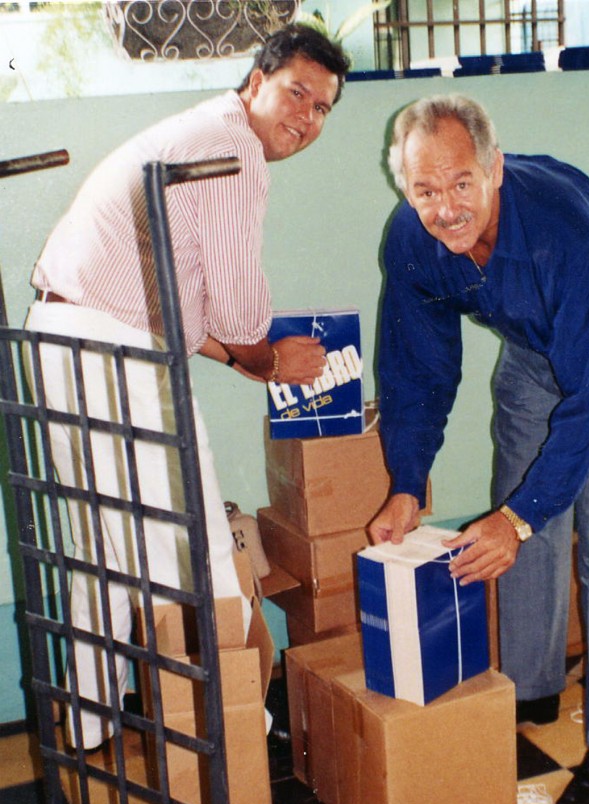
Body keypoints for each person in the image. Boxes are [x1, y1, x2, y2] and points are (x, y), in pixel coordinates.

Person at [26, 25, 350, 749]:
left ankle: (87, 727)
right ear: (257, 80)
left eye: (323, 108)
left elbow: (188, 314)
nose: (307, 118)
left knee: (101, 545)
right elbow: (236, 313)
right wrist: (272, 360)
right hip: (113, 349)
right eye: (297, 92)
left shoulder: (196, 132)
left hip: (62, 334)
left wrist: (244, 361)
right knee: (198, 541)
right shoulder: (232, 148)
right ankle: (238, 727)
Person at [369, 93, 589, 804]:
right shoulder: (413, 241)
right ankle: (531, 689)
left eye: (460, 184)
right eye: (423, 191)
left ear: (494, 169)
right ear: (404, 190)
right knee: (517, 509)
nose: (444, 208)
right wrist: (407, 484)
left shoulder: (563, 231)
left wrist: (522, 516)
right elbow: (417, 366)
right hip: (536, 345)